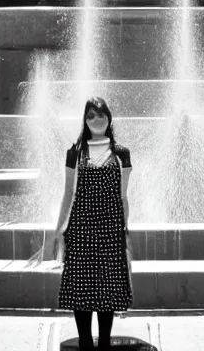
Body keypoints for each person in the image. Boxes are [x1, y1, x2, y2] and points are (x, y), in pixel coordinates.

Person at [55, 96, 133, 351]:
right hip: (80, 228)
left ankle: (105, 343)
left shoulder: (121, 153)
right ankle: (85, 342)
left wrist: (124, 229)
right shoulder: (75, 153)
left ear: (109, 118)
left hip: (110, 228)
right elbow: (68, 193)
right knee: (81, 287)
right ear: (84, 120)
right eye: (90, 115)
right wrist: (58, 230)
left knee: (107, 288)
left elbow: (123, 197)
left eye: (101, 114)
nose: (96, 120)